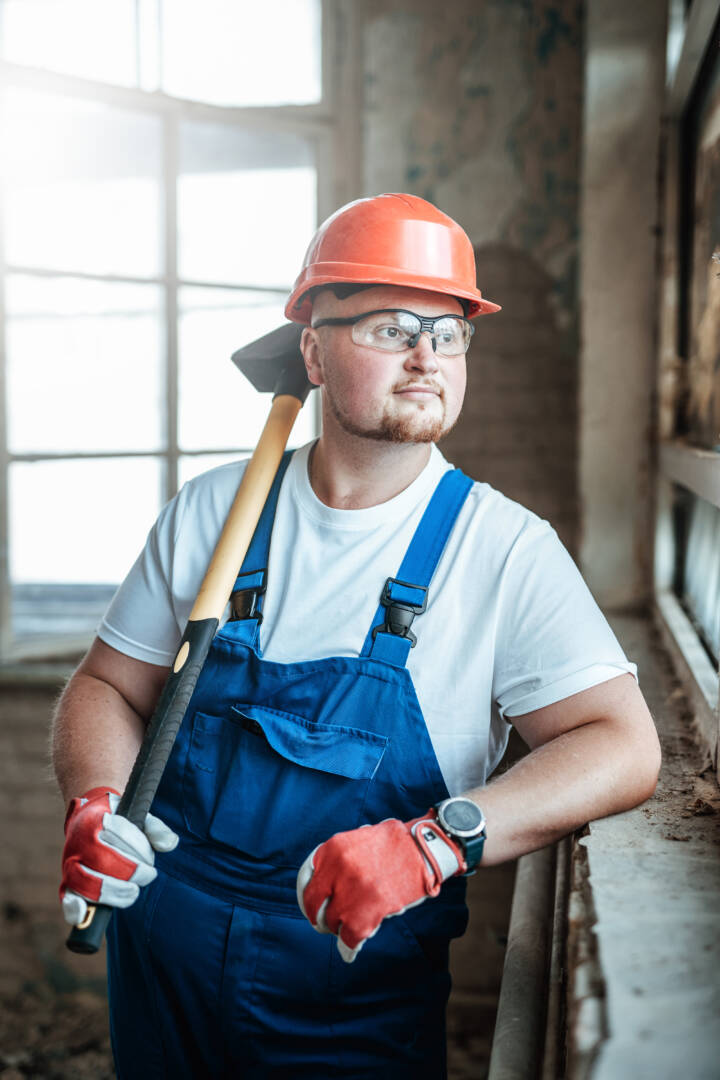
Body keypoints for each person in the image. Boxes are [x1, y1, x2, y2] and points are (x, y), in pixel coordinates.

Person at [53, 193, 661, 1079]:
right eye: (390, 326)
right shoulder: (217, 514)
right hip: (162, 966)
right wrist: (97, 800)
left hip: (352, 995)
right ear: (312, 349)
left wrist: (439, 840)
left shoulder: (502, 552)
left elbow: (624, 746)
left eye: (449, 333)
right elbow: (107, 686)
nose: (426, 357)